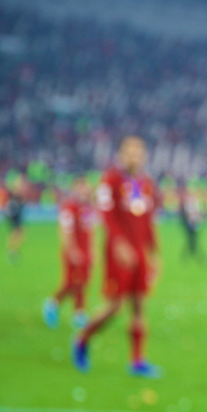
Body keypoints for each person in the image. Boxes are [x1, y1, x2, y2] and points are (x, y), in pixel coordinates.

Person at [72, 136, 161, 377]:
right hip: (117, 254)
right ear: (122, 154)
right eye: (130, 151)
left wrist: (155, 255)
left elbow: (149, 222)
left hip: (139, 254)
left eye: (139, 151)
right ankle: (82, 338)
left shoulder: (147, 184)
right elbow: (107, 216)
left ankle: (137, 360)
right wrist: (119, 244)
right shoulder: (110, 180)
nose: (135, 156)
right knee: (115, 306)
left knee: (140, 305)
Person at [43, 176, 96, 330]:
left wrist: (92, 250)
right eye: (81, 186)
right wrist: (72, 250)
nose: (85, 189)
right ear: (75, 188)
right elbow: (65, 231)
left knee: (83, 282)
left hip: (85, 251)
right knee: (71, 282)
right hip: (74, 251)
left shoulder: (87, 207)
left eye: (86, 186)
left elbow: (90, 230)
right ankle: (53, 304)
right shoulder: (69, 207)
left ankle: (79, 313)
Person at [179, 180, 206, 264]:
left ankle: (192, 256)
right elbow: (187, 214)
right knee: (191, 240)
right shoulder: (188, 202)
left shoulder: (196, 202)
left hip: (196, 223)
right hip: (190, 223)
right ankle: (192, 256)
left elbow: (200, 213)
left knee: (193, 240)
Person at [4, 174, 27, 264]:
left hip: (16, 215)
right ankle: (11, 251)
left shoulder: (17, 195)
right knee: (17, 233)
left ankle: (13, 251)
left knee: (19, 233)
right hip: (15, 215)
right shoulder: (14, 195)